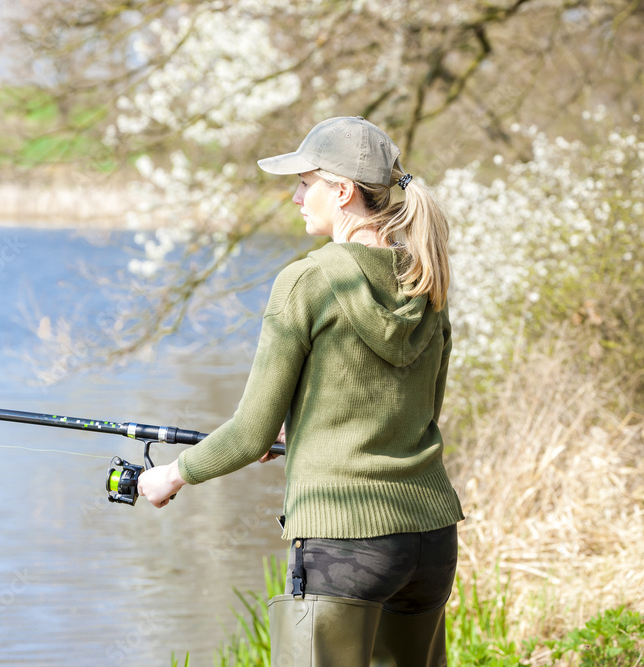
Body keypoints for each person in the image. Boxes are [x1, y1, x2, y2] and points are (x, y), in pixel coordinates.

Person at [137, 116, 464, 666]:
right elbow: (418, 411)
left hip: (345, 538)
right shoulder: (425, 278)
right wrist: (306, 425)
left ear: (342, 191)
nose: (295, 197)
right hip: (429, 540)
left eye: (305, 183)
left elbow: (248, 434)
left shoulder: (305, 281)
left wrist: (168, 476)